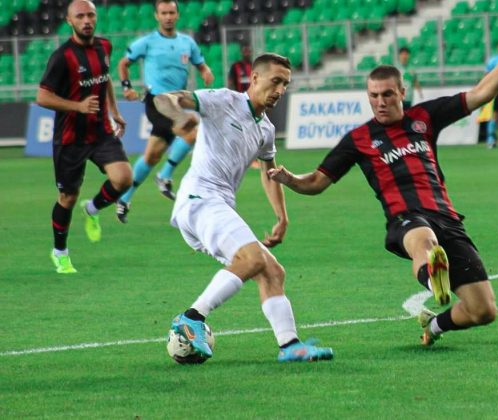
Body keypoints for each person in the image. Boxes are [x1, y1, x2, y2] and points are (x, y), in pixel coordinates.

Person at [268, 18, 498, 347]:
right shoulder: (359, 139)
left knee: (484, 310)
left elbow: (483, 93)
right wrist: (288, 179)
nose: (380, 102)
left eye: (386, 94)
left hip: (447, 217)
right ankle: (433, 280)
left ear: (402, 92)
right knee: (424, 243)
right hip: (405, 218)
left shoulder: (425, 117)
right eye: (373, 96)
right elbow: (316, 182)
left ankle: (435, 325)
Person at [152, 53, 334, 362]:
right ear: (256, 78)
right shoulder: (223, 100)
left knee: (272, 270)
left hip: (217, 205)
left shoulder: (264, 128)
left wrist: (282, 217)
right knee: (251, 258)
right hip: (200, 199)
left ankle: (290, 346)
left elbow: (269, 172)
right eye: (275, 81)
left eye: (286, 84)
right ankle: (191, 318)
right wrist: (180, 116)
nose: (279, 90)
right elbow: (165, 99)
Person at [37, 0, 133, 274]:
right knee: (67, 196)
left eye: (90, 14)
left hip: (101, 131)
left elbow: (105, 78)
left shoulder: (104, 46)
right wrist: (77, 106)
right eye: (80, 16)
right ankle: (60, 252)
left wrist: (114, 111)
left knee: (124, 178)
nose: (87, 20)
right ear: (70, 21)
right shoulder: (62, 56)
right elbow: (42, 96)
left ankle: (91, 209)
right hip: (70, 137)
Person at [116, 0, 214, 223]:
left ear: (177, 15)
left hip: (178, 100)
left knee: (152, 155)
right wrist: (127, 88)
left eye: (171, 12)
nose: (168, 16)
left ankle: (124, 198)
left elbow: (201, 64)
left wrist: (206, 71)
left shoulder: (187, 43)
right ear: (156, 16)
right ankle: (165, 176)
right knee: (193, 131)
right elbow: (123, 64)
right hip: (157, 100)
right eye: (164, 13)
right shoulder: (147, 42)